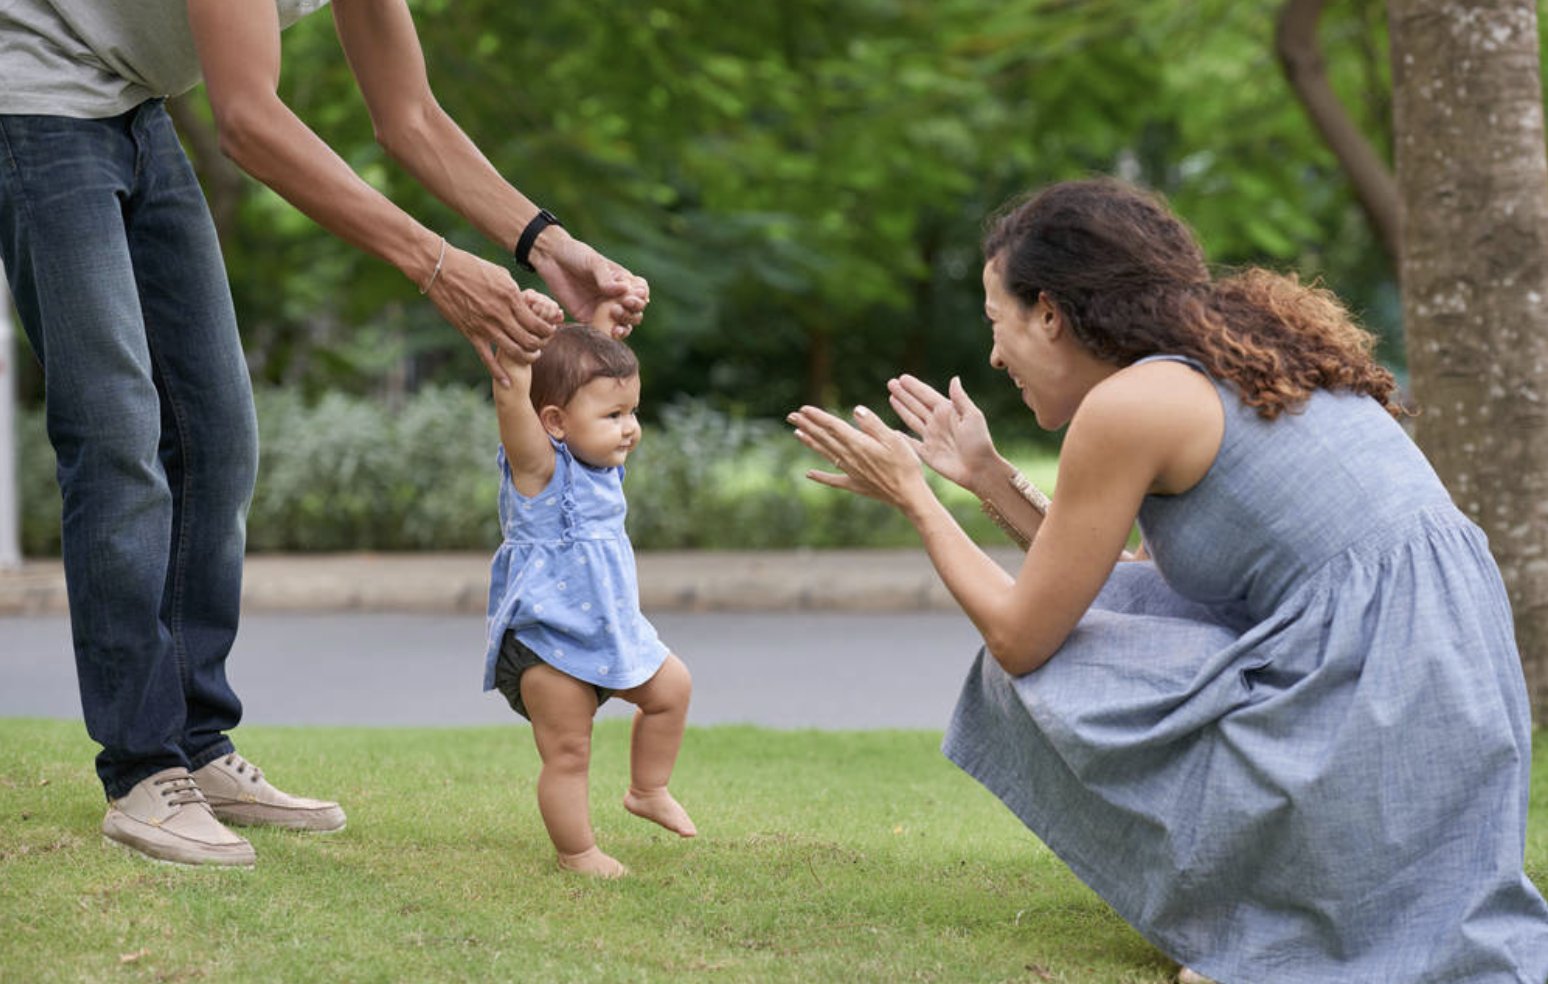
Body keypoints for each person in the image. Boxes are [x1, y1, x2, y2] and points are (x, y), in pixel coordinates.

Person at [787, 178, 1548, 983]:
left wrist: (913, 498)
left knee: (1042, 670)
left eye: (994, 322)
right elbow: (1099, 579)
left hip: (1376, 712)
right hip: (1447, 703)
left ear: (1048, 312)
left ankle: (1266, 927)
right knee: (1121, 617)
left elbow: (1020, 637)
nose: (994, 355)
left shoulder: (1132, 405)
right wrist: (983, 477)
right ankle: (1274, 917)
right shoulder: (1241, 362)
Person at [0, 0, 649, 867]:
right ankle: (143, 768)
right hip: (33, 88)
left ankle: (196, 745)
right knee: (118, 434)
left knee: (217, 434)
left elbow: (408, 114)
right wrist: (436, 264)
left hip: (130, 96)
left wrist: (545, 242)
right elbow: (250, 122)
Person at [484, 314, 695, 878]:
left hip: (612, 634)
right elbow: (516, 409)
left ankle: (648, 788)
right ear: (553, 421)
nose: (630, 428)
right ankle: (577, 852)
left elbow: (589, 366)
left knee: (672, 687)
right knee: (569, 753)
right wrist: (514, 365)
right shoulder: (539, 469)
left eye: (632, 412)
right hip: (548, 643)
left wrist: (603, 317)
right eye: (613, 416)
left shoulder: (602, 466)